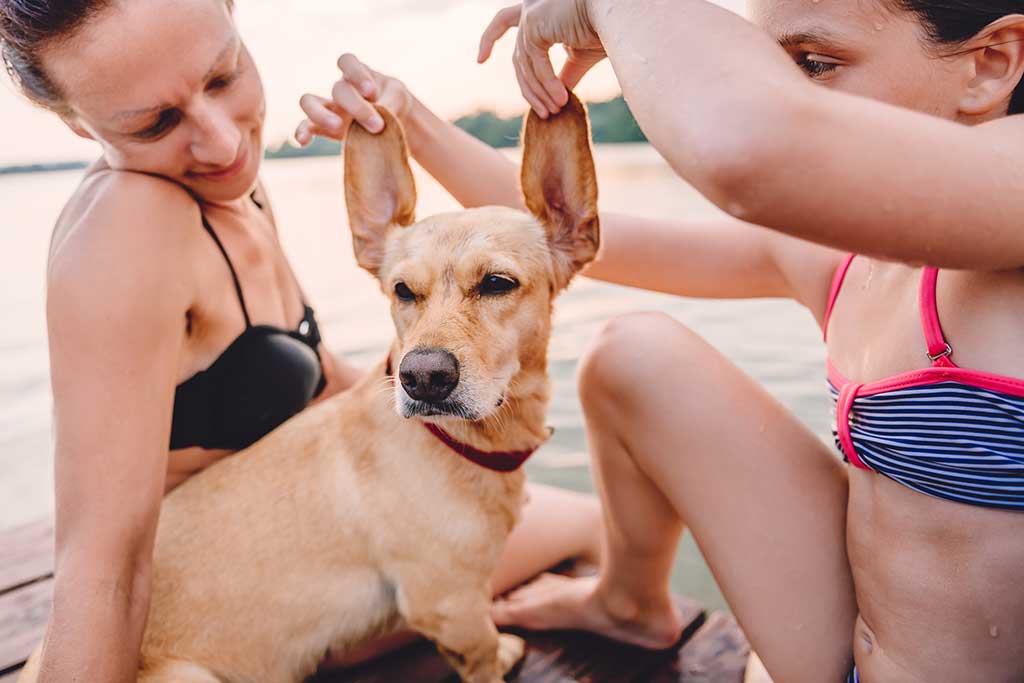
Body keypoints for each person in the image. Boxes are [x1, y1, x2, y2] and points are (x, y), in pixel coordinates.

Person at [297, 0, 1024, 680]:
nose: (780, 91)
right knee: (631, 354)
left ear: (991, 62)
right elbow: (558, 237)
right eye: (765, 66)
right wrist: (409, 116)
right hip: (849, 651)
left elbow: (751, 147)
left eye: (811, 64)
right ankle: (631, 600)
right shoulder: (842, 256)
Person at [0, 1, 603, 680]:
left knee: (583, 520)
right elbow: (101, 568)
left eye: (225, 76)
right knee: (580, 530)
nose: (226, 144)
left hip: (318, 554)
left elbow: (319, 373)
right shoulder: (125, 227)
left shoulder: (237, 191)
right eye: (154, 122)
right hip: (208, 633)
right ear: (78, 124)